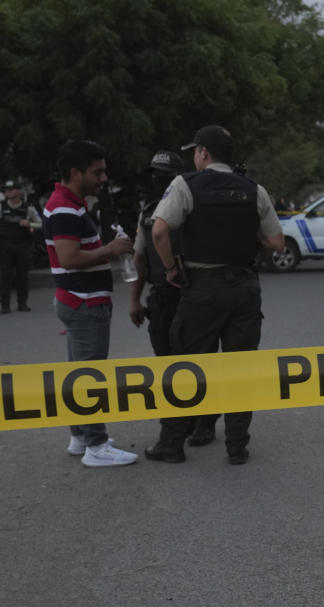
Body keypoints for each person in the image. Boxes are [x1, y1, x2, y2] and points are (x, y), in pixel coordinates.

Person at [145, 125, 284, 465]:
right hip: (244, 289)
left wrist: (170, 268)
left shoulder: (185, 185)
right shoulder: (254, 190)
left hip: (202, 289)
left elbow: (159, 230)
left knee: (187, 366)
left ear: (204, 153)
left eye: (195, 151)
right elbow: (277, 243)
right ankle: (237, 446)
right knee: (240, 367)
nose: (195, 157)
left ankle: (173, 443)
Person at [44, 140, 138, 467]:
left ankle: (81, 435)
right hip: (83, 303)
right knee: (91, 376)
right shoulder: (66, 208)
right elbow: (69, 257)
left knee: (79, 372)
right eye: (97, 172)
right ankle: (96, 446)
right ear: (75, 172)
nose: (103, 178)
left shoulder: (72, 203)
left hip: (79, 301)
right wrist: (110, 251)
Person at [130, 150, 220, 447]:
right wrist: (134, 300)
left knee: (199, 362)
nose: (158, 179)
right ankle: (176, 425)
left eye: (164, 175)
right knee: (167, 365)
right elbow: (139, 259)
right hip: (161, 296)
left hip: (192, 293)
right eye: (154, 173)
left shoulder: (193, 205)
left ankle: (204, 422)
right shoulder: (147, 212)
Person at [1, 180, 42, 313]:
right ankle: (5, 305)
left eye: (11, 189)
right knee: (4, 276)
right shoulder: (2, 207)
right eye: (6, 189)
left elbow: (40, 223)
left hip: (23, 245)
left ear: (18, 191)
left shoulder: (27, 208)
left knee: (22, 276)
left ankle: (22, 303)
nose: (7, 192)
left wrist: (29, 224)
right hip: (6, 246)